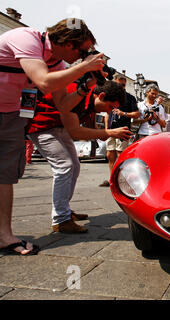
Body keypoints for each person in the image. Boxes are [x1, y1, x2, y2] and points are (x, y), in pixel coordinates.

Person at [0, 18, 106, 255]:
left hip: (9, 113)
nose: (82, 56)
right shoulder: (26, 38)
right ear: (69, 43)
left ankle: (4, 236)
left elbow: (64, 105)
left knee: (5, 174)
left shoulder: (56, 63)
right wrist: (83, 67)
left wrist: (84, 86)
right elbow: (43, 82)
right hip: (11, 112)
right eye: (82, 51)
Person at [27, 81, 131, 233]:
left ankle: (64, 210)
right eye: (110, 107)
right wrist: (109, 133)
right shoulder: (76, 95)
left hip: (59, 128)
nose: (109, 112)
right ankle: (61, 219)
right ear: (101, 96)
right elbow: (76, 132)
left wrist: (105, 133)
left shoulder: (91, 104)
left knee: (74, 165)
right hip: (43, 126)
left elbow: (86, 130)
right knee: (64, 166)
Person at [99, 74, 139, 187]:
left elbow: (137, 114)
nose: (122, 87)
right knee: (109, 154)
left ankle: (121, 179)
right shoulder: (110, 96)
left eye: (123, 85)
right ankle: (112, 179)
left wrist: (123, 114)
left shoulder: (130, 97)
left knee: (121, 154)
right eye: (119, 85)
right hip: (111, 130)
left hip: (123, 130)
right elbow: (107, 114)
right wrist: (106, 129)